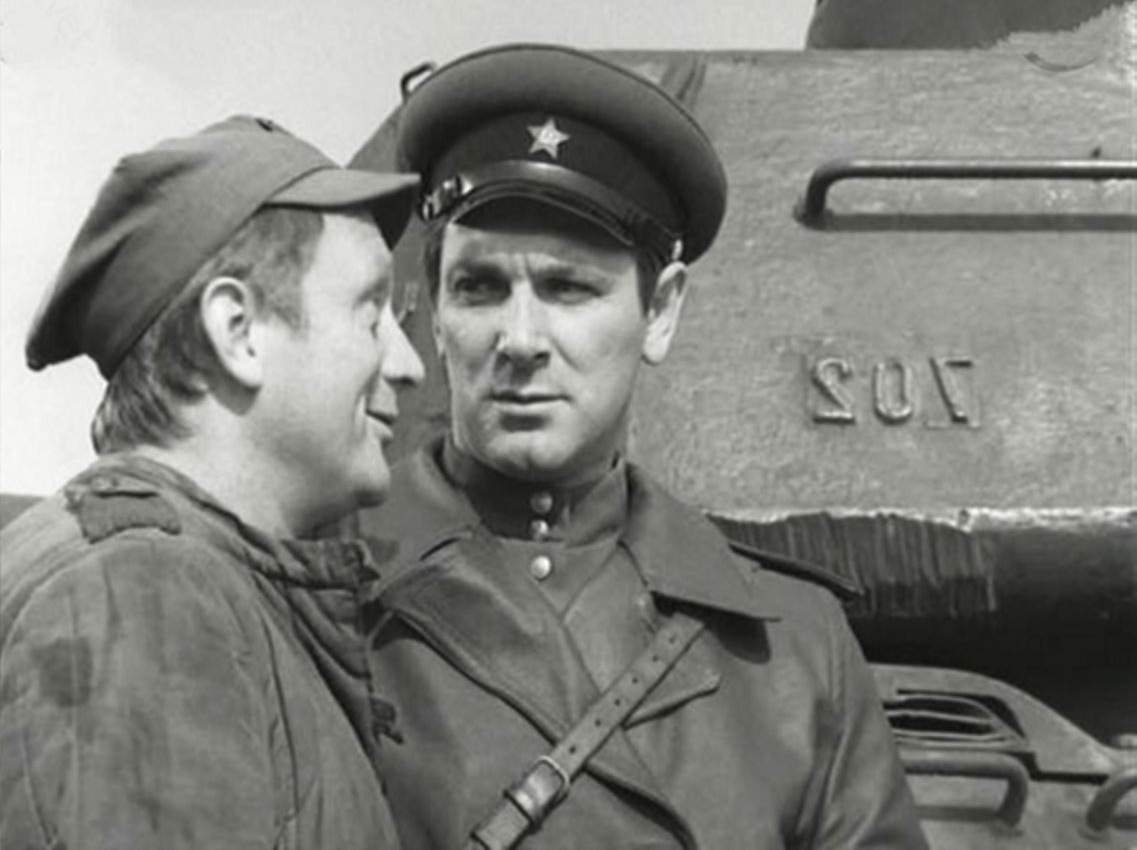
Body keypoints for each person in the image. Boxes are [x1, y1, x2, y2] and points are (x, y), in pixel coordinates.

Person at [353, 44, 928, 849]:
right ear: (437, 311)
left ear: (658, 313)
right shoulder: (326, 584)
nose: (519, 339)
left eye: (568, 288)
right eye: (479, 287)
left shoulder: (790, 647)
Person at [0, 116, 424, 848]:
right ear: (238, 331)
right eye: (370, 315)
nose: (408, 364)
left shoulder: (178, 580)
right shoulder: (142, 595)